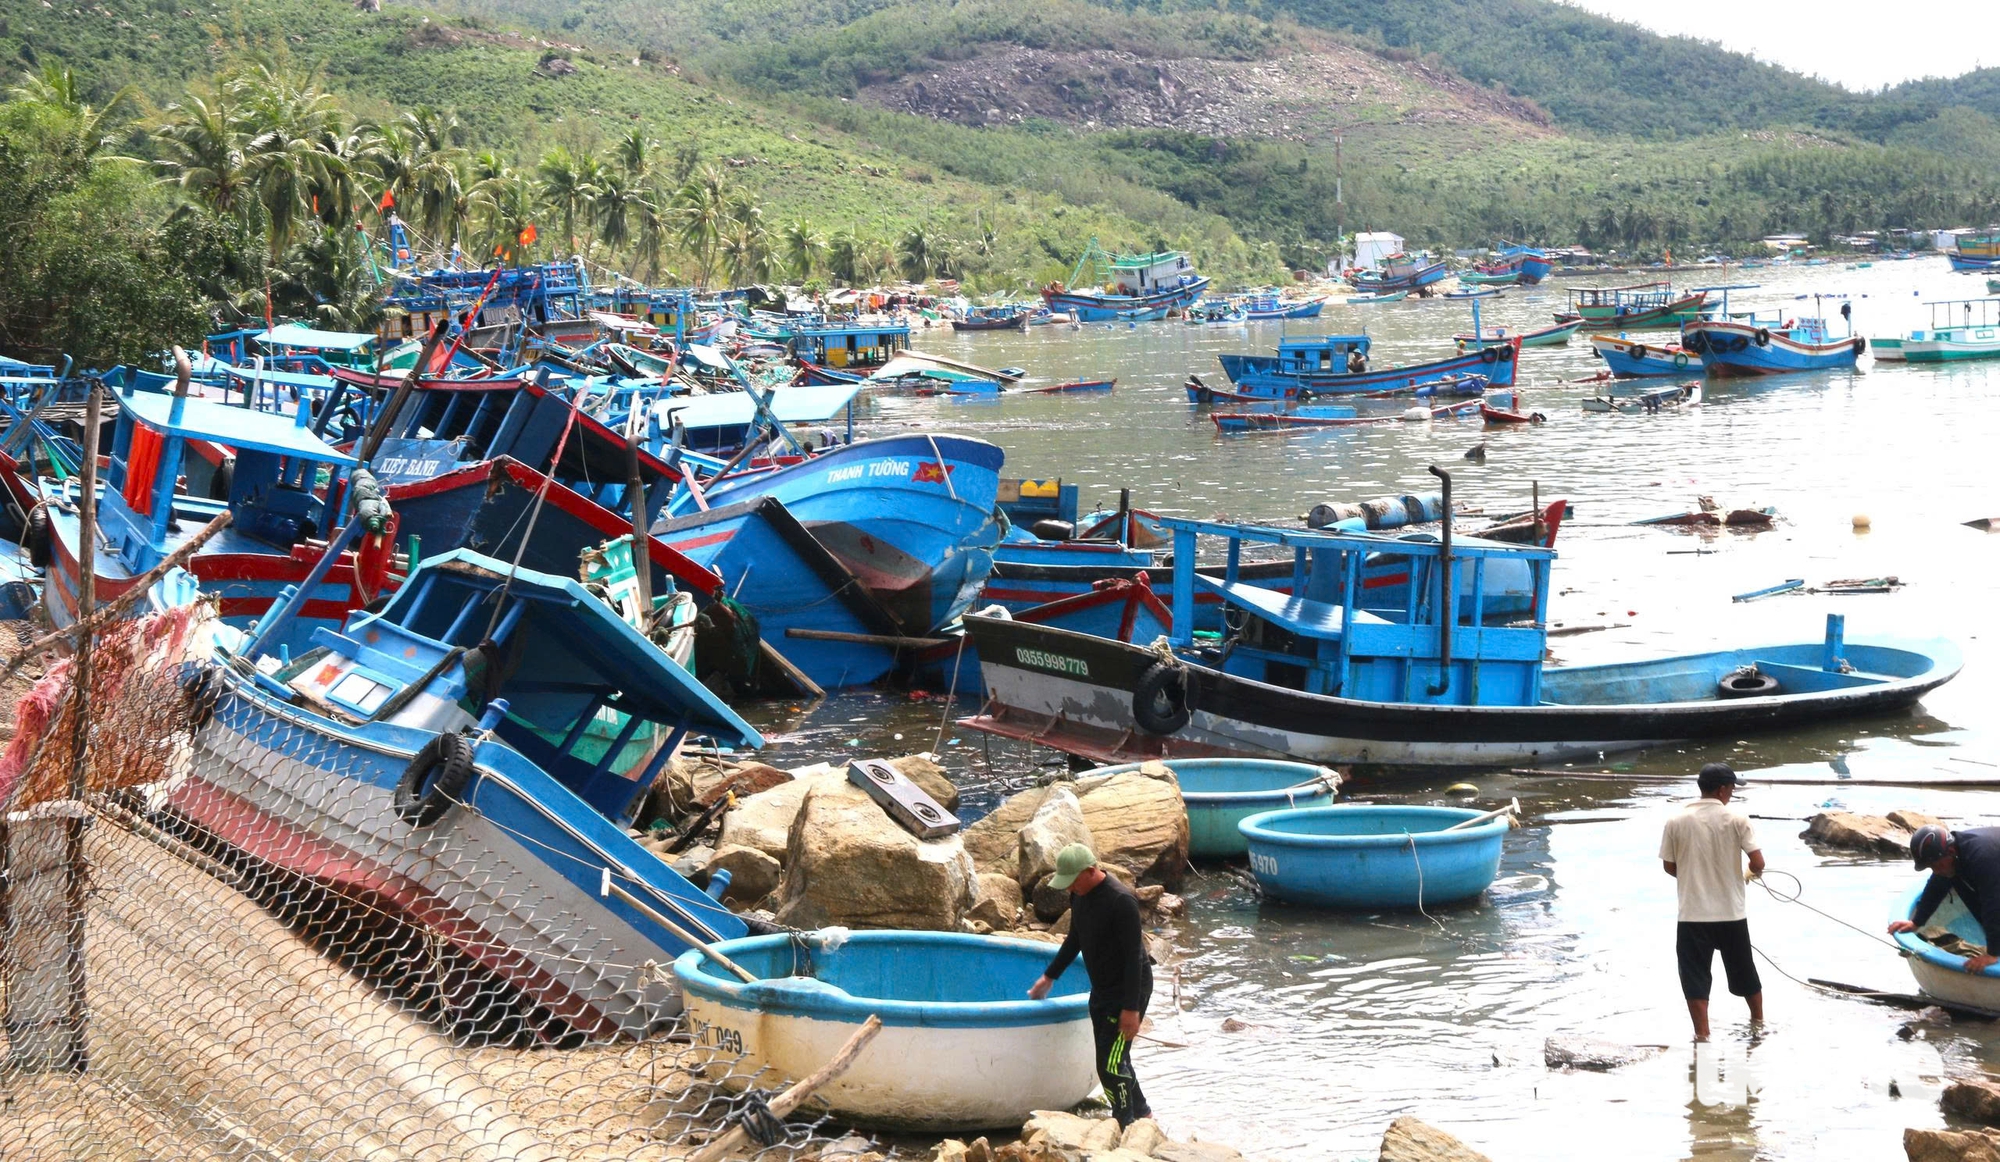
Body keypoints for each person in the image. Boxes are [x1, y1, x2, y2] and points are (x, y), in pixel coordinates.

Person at [1026, 843, 1153, 1127]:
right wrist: (1050, 976)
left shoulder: (1122, 901)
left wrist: (1131, 1010)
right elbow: (1076, 938)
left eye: (1072, 882)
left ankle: (1123, 1123)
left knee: (1108, 1066)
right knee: (1117, 1058)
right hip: (1103, 989)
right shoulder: (1080, 896)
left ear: (1091, 871)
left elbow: (1134, 958)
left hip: (1129, 990)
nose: (1070, 889)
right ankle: (1143, 1114)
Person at [1659, 762, 1765, 1041]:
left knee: (1694, 977)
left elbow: (1670, 867)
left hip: (1693, 915)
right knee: (1744, 970)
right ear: (1721, 789)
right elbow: (1758, 862)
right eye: (1731, 788)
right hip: (1731, 913)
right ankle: (1758, 1023)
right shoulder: (1738, 819)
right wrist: (1749, 874)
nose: (1732, 793)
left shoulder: (1676, 820)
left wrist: (1694, 876)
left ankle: (1702, 1035)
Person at [1887, 825, 2000, 973]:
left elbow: (1993, 904)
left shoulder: (1981, 857)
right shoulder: (1952, 856)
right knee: (1952, 878)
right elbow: (1937, 885)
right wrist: (1917, 922)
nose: (1936, 871)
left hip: (1994, 867)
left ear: (1951, 851)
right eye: (1931, 867)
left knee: (1990, 905)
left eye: (1936, 865)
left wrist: (1992, 954)